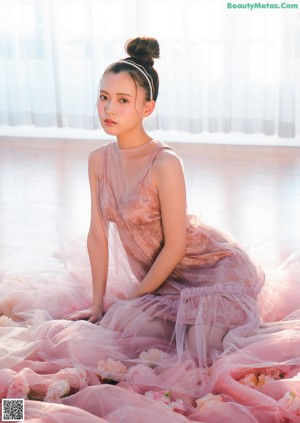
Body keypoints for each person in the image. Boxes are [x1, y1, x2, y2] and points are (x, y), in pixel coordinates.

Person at [65, 36, 265, 367]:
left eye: (123, 100)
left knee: (199, 350)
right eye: (103, 97)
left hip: (209, 269)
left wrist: (135, 297)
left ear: (147, 108)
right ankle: (171, 318)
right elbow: (97, 235)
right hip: (164, 282)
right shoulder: (98, 160)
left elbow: (175, 247)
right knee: (123, 328)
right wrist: (99, 305)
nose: (109, 109)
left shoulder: (165, 162)